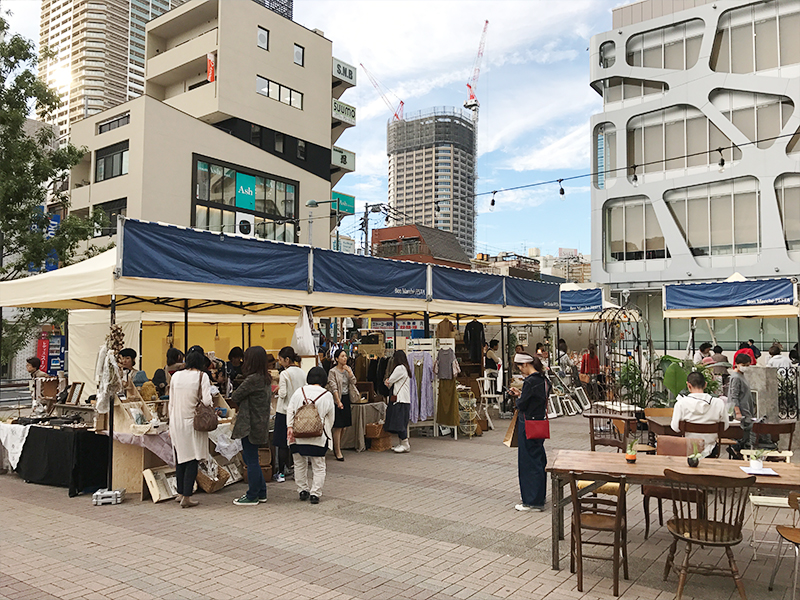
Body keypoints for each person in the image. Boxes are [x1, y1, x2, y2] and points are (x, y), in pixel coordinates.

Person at [168, 347, 213, 508]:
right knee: (192, 459)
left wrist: (170, 425)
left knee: (181, 458)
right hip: (192, 423)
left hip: (176, 421)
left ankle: (180, 492)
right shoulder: (202, 377)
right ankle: (187, 496)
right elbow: (207, 401)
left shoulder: (176, 376)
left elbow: (171, 403)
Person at [229, 346, 272, 506]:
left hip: (250, 424)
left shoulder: (253, 379)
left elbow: (235, 395)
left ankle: (252, 495)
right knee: (252, 457)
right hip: (260, 423)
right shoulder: (265, 377)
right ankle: (261, 492)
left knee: (251, 459)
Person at [286, 367, 335, 504]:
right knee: (318, 465)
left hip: (297, 435)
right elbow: (331, 418)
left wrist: (290, 427)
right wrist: (325, 430)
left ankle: (302, 490)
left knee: (299, 463)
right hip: (318, 436)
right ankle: (315, 493)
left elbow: (290, 410)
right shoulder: (327, 395)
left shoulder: (298, 392)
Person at [508, 353, 549, 512]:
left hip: (528, 422)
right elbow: (536, 399)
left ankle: (531, 501)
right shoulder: (544, 380)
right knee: (538, 459)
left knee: (528, 461)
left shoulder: (530, 382)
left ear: (525, 364)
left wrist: (518, 398)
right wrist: (521, 395)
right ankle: (539, 496)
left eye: (520, 366)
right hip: (539, 421)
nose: (520, 369)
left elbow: (522, 404)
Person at [670, 371, 728, 458]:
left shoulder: (681, 404)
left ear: (688, 385)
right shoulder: (718, 403)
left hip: (687, 450)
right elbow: (725, 426)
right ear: (705, 384)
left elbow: (675, 428)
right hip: (711, 451)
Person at [275, 346, 306, 482]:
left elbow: (282, 394)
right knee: (296, 442)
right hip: (298, 412)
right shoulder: (302, 372)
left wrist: (276, 390)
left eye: (281, 360)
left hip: (283, 412)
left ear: (287, 360)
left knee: (283, 443)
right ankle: (296, 471)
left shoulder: (284, 374)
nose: (280, 363)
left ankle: (281, 473)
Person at [326, 349, 358, 461]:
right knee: (338, 426)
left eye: (345, 356)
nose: (345, 358)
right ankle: (337, 450)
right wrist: (338, 401)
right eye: (342, 356)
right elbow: (333, 386)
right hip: (337, 398)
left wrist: (350, 372)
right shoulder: (333, 372)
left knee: (344, 425)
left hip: (346, 397)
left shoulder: (347, 370)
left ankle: (337, 445)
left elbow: (354, 382)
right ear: (336, 359)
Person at [384, 349, 412, 453]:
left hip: (399, 400)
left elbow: (389, 381)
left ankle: (405, 444)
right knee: (401, 422)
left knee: (399, 422)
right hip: (404, 400)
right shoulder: (405, 368)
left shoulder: (399, 368)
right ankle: (402, 443)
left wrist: (387, 382)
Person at [729, 352, 755, 451]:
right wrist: (738, 412)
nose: (746, 367)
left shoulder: (742, 375)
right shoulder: (735, 377)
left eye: (747, 365)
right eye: (743, 365)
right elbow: (733, 395)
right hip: (741, 412)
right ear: (737, 364)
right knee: (744, 437)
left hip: (746, 409)